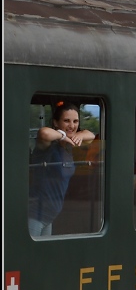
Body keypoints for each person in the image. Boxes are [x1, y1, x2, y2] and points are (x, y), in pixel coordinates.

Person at [29, 102, 96, 237]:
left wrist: (79, 136)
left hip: (49, 217)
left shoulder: (69, 145)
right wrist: (63, 135)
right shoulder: (48, 145)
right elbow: (44, 133)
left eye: (75, 121)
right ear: (56, 122)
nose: (72, 125)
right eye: (66, 121)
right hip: (34, 215)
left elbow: (91, 135)